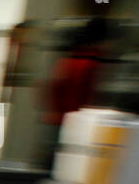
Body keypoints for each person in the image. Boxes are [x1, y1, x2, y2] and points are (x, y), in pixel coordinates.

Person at [40, 17, 108, 173]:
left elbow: (54, 87)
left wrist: (54, 111)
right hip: (79, 122)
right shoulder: (92, 63)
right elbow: (90, 96)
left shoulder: (68, 60)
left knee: (55, 164)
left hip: (60, 119)